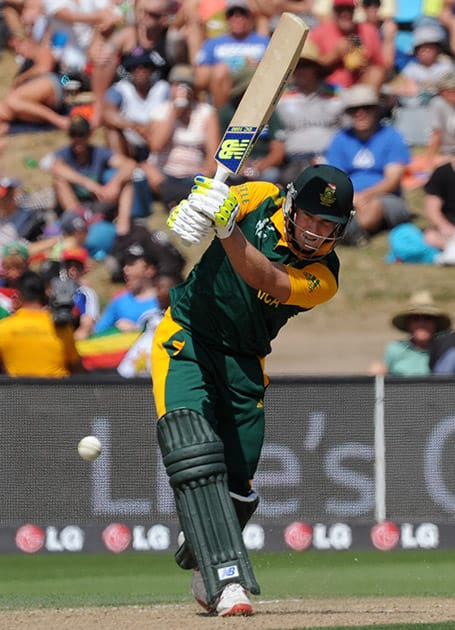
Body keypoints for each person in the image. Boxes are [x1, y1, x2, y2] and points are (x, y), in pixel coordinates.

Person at [151, 163, 355, 616]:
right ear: (289, 203)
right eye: (310, 217)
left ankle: (203, 559)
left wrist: (225, 228)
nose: (316, 232)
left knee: (238, 489)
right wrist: (194, 209)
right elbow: (220, 203)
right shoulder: (259, 196)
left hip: (244, 363)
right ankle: (227, 583)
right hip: (188, 338)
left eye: (329, 225)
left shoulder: (324, 277)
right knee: (193, 446)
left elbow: (266, 278)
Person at [325, 83, 411, 245]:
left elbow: (392, 181)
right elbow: (334, 177)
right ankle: (349, 232)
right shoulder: (340, 138)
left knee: (375, 207)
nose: (360, 113)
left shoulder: (392, 136)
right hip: (349, 197)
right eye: (354, 109)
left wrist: (364, 196)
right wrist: (350, 198)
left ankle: (347, 232)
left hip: (384, 197)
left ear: (376, 110)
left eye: (366, 108)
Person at [144, 63, 221, 210]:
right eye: (177, 85)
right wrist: (174, 111)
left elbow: (214, 153)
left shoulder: (206, 112)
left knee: (209, 176)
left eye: (186, 85)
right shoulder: (161, 110)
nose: (182, 89)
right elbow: (155, 145)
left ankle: (178, 198)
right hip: (164, 173)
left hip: (193, 174)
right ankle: (175, 196)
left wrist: (207, 170)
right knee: (147, 170)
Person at [49, 115, 137, 240]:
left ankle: (123, 227)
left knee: (127, 182)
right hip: (75, 205)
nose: (77, 139)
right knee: (59, 181)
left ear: (89, 135)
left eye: (82, 134)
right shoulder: (64, 153)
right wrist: (90, 184)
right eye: (73, 135)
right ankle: (77, 223)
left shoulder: (99, 152)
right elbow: (56, 168)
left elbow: (130, 165)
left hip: (97, 202)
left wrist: (114, 183)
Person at [276, 38, 344, 186]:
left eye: (305, 65)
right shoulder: (281, 99)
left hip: (331, 160)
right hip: (294, 162)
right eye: (297, 66)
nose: (300, 70)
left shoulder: (337, 95)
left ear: (316, 69)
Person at [0, 270, 83, 377]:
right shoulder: (61, 327)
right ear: (44, 294)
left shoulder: (4, 328)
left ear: (18, 296)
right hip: (57, 392)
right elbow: (76, 368)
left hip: (18, 392)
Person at [194, 0, 270, 107]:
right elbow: (200, 75)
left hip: (251, 83)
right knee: (220, 71)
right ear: (226, 19)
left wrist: (258, 65)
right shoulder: (213, 43)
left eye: (242, 13)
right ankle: (223, 116)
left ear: (250, 17)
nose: (237, 18)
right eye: (231, 14)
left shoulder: (263, 42)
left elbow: (274, 70)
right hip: (223, 84)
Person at [102, 45, 170, 161]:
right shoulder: (121, 88)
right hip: (130, 144)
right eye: (135, 67)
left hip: (157, 140)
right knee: (112, 131)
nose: (140, 70)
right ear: (130, 70)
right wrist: (136, 127)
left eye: (145, 66)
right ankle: (123, 167)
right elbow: (107, 114)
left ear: (152, 69)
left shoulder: (162, 88)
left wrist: (150, 129)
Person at [308, 0, 387, 92]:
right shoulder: (319, 33)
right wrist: (335, 54)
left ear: (354, 11)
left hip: (360, 89)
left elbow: (381, 66)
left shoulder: (369, 31)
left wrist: (364, 63)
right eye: (340, 9)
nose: (345, 14)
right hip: (329, 90)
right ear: (334, 11)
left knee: (376, 72)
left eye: (349, 9)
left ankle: (364, 104)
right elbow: (309, 70)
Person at [368, 290, 451, 376]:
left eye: (427, 318)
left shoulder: (445, 351)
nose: (422, 323)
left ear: (435, 324)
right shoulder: (395, 349)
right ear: (408, 324)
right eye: (416, 318)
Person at [94, 241, 161, 334]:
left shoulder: (165, 300)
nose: (125, 269)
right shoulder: (118, 300)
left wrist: (136, 330)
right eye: (124, 264)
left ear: (150, 270)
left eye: (131, 264)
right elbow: (98, 334)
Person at [62, 245, 100, 340]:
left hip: (78, 337)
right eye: (68, 265)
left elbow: (90, 321)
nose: (72, 270)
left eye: (77, 266)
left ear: (83, 269)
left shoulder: (87, 293)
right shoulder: (54, 289)